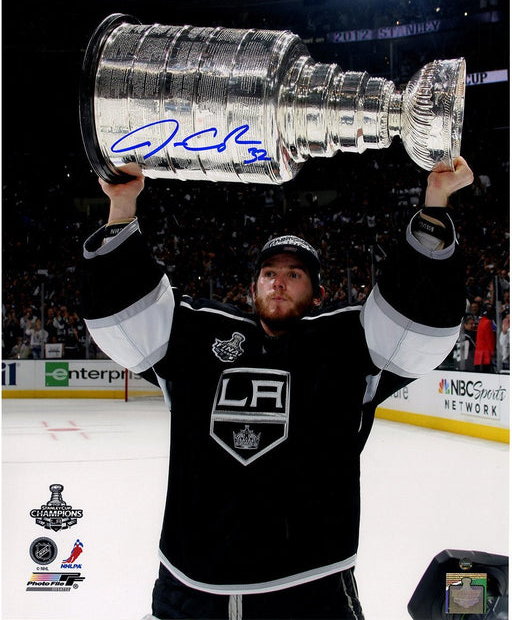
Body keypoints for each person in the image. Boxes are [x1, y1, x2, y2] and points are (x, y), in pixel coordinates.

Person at [81, 157, 473, 620]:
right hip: (189, 593)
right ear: (253, 288)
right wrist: (122, 205)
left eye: (295, 274)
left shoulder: (347, 343)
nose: (279, 282)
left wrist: (434, 207)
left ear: (318, 293)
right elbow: (122, 317)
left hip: (309, 592)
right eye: (269, 273)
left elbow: (418, 323)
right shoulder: (199, 335)